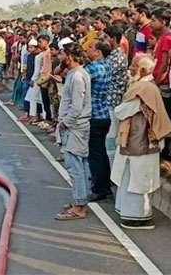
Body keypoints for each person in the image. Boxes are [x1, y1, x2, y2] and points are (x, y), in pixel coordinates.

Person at [111, 53, 171, 229]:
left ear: (143, 70)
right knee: (133, 177)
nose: (130, 68)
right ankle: (130, 213)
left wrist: (116, 110)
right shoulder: (147, 86)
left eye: (133, 65)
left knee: (136, 179)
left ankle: (137, 217)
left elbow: (122, 111)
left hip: (140, 140)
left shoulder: (143, 89)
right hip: (140, 139)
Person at [55, 43, 92, 221]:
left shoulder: (77, 76)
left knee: (75, 167)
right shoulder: (75, 74)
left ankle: (79, 206)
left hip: (75, 126)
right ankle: (80, 200)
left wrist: (65, 123)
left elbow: (77, 106)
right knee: (80, 166)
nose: (60, 57)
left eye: (62, 54)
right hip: (76, 126)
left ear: (70, 56)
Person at [85, 41, 113, 201]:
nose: (87, 50)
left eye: (90, 48)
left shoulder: (92, 69)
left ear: (98, 52)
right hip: (104, 114)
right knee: (101, 152)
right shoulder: (108, 65)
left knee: (94, 154)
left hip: (93, 115)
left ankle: (99, 188)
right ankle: (106, 186)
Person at [104, 26, 129, 163]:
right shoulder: (111, 55)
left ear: (113, 39)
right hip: (107, 101)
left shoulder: (118, 57)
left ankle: (111, 173)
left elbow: (105, 74)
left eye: (106, 38)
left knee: (111, 138)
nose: (104, 41)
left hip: (113, 101)